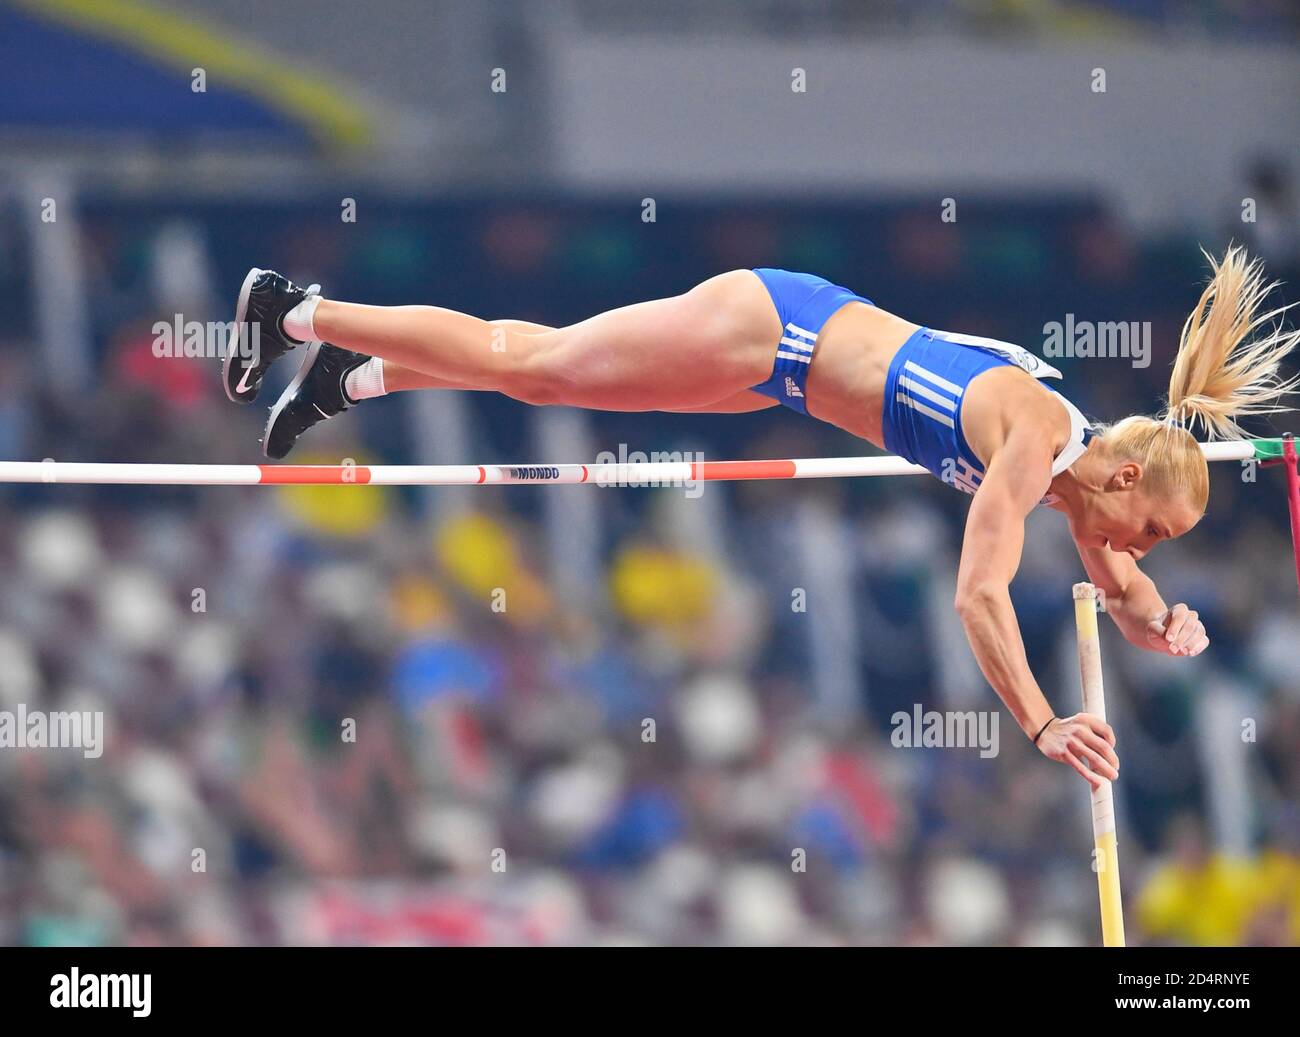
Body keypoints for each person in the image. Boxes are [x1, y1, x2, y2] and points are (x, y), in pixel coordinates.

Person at [221, 246, 1299, 788]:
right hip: (772, 329)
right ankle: (293, 309)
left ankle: (352, 385)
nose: (1136, 555)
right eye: (1151, 532)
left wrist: (1160, 620)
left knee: (546, 375)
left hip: (785, 366)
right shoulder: (1031, 444)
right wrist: (1039, 721)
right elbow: (978, 594)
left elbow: (1120, 586)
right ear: (1122, 487)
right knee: (533, 362)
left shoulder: (1083, 474)